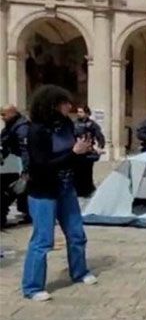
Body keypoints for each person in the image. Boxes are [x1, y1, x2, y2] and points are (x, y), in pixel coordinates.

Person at [21, 85, 97, 301]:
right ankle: (32, 287)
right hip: (43, 190)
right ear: (53, 105)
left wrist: (85, 152)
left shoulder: (66, 125)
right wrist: (73, 153)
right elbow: (42, 164)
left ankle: (79, 272)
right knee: (43, 239)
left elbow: (73, 156)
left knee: (76, 233)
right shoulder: (36, 130)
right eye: (65, 103)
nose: (69, 106)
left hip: (66, 187)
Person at [1, 105, 30, 227]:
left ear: (12, 113)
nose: (2, 117)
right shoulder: (9, 127)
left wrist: (25, 170)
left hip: (18, 166)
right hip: (10, 165)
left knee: (13, 191)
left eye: (4, 114)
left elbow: (25, 150)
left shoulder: (22, 128)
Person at [73, 105, 105, 198]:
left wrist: (100, 147)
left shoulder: (92, 125)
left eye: (81, 112)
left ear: (87, 113)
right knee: (76, 172)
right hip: (77, 152)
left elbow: (100, 137)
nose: (79, 114)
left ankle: (88, 190)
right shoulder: (73, 124)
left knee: (87, 172)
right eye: (78, 112)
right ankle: (78, 190)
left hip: (87, 152)